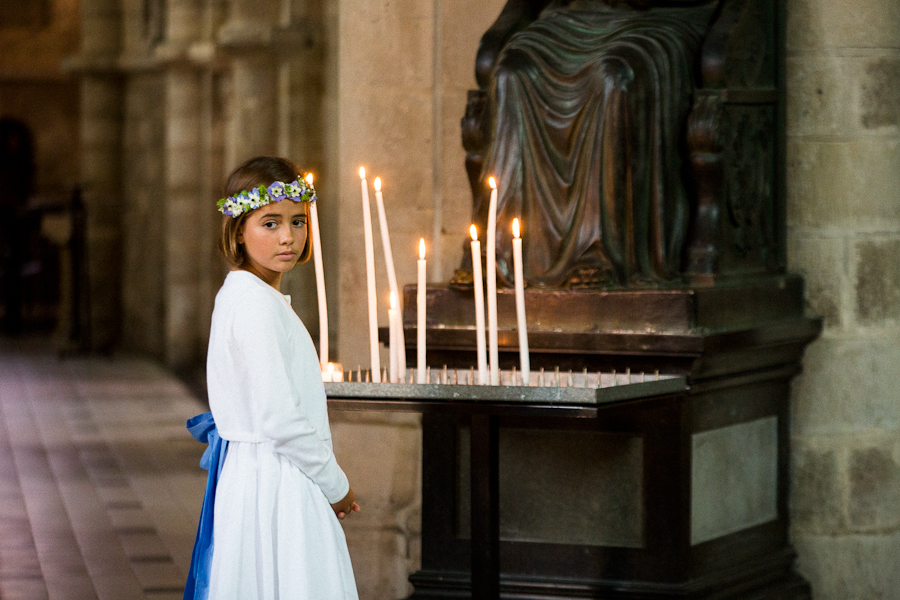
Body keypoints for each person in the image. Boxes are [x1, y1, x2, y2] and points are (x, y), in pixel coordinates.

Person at [185, 156, 359, 599]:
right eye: (270, 223)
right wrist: (336, 486)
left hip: (261, 475)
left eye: (298, 222)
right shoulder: (255, 304)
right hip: (277, 481)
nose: (288, 236)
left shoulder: (250, 295)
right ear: (238, 231)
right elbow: (280, 418)